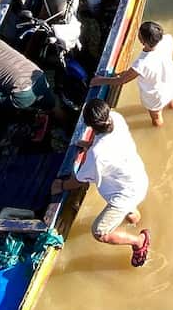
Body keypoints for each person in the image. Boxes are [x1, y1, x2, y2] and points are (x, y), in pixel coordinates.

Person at [51, 98, 150, 266]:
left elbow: (78, 181)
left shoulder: (97, 155)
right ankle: (133, 218)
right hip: (137, 178)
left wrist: (60, 185)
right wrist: (88, 145)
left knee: (99, 232)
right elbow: (100, 137)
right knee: (129, 209)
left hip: (123, 194)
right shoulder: (115, 117)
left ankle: (139, 241)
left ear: (91, 126)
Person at [92, 20, 173, 126]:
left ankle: (159, 127)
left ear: (143, 41)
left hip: (156, 96)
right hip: (170, 84)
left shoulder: (141, 64)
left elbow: (120, 81)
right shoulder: (168, 40)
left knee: (156, 116)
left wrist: (99, 80)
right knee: (172, 100)